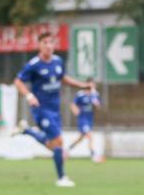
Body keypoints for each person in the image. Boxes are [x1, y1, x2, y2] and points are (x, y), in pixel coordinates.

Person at [13, 32, 94, 187]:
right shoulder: (34, 65)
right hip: (41, 109)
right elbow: (18, 82)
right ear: (40, 45)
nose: (49, 46)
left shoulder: (58, 61)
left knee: (53, 144)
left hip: (55, 109)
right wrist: (29, 96)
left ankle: (28, 131)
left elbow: (63, 78)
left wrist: (82, 85)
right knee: (58, 142)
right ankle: (61, 178)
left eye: (51, 42)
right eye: (45, 43)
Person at [68, 79, 102, 162]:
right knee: (90, 136)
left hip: (90, 119)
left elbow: (98, 107)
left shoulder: (95, 95)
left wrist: (96, 103)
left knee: (80, 138)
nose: (92, 86)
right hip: (82, 119)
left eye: (94, 85)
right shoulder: (80, 95)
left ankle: (66, 150)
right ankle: (93, 155)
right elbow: (73, 104)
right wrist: (75, 110)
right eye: (91, 84)